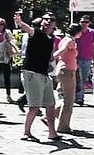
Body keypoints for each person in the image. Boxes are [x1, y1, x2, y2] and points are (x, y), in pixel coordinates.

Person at [14, 11, 60, 141]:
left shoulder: (51, 39)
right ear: (42, 22)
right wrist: (19, 22)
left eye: (51, 20)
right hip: (32, 74)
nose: (48, 22)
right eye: (46, 19)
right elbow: (28, 29)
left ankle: (52, 133)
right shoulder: (37, 33)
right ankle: (26, 132)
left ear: (55, 24)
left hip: (44, 74)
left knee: (50, 105)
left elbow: (50, 57)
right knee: (35, 106)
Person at [54, 22, 84, 134]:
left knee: (63, 97)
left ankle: (49, 116)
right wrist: (54, 56)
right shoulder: (69, 40)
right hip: (67, 72)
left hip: (63, 70)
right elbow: (63, 49)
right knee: (69, 100)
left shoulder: (65, 38)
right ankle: (63, 126)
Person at [0, 17, 17, 102]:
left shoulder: (7, 33)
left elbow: (13, 41)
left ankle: (8, 95)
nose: (0, 26)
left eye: (2, 25)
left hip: (5, 57)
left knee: (7, 77)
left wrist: (9, 40)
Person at [75, 15, 94, 106]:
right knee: (76, 78)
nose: (84, 24)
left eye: (86, 22)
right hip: (76, 58)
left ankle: (80, 97)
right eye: (82, 22)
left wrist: (93, 58)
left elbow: (93, 45)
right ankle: (75, 96)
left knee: (83, 79)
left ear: (89, 23)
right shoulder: (76, 31)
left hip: (87, 58)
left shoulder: (92, 32)